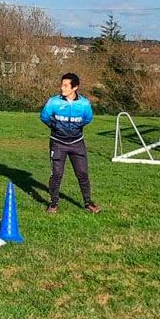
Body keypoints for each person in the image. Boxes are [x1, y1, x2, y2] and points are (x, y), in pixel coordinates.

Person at [39, 72, 100, 214]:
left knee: (82, 173)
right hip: (58, 143)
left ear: (75, 87)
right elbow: (44, 117)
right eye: (62, 84)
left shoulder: (84, 104)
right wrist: (56, 128)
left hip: (77, 143)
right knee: (57, 174)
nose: (62, 88)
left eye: (66, 85)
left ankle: (88, 203)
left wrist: (74, 129)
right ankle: (53, 203)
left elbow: (87, 119)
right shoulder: (53, 102)